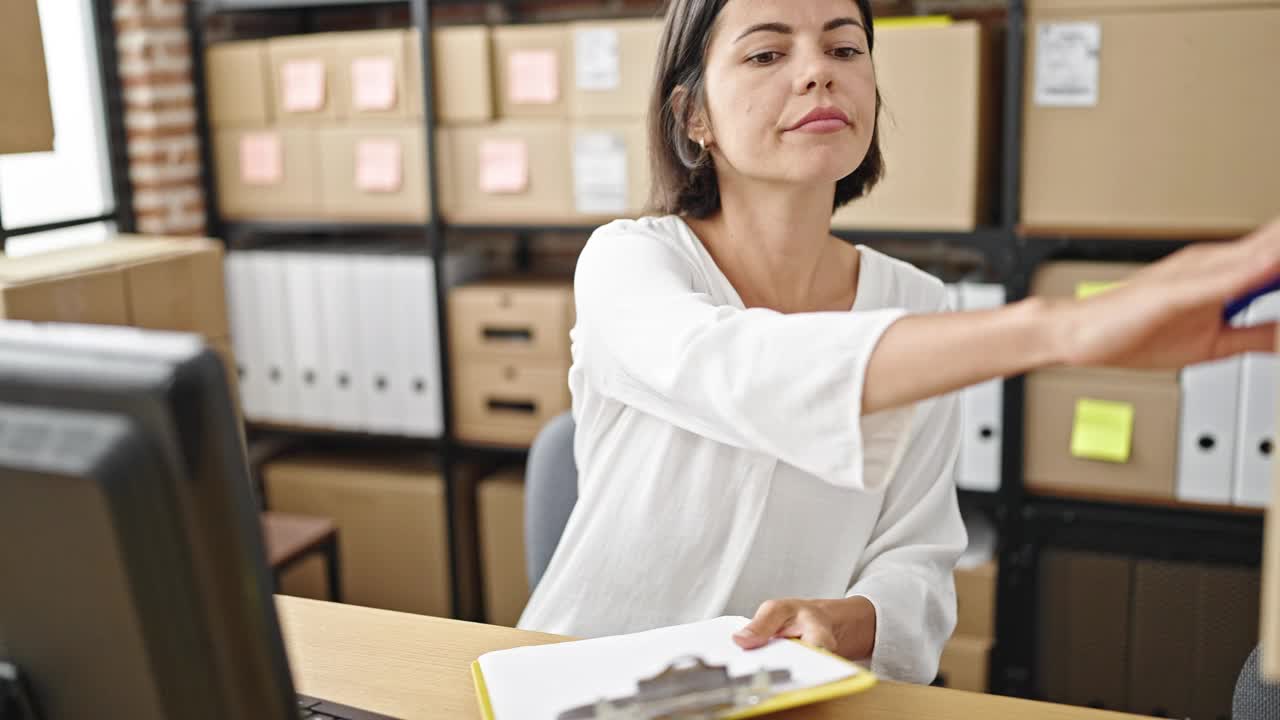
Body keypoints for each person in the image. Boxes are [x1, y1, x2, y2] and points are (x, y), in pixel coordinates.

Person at [516, 0, 1280, 683]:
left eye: (845, 49)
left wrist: (861, 619)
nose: (818, 73)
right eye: (766, 53)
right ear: (693, 116)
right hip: (581, 679)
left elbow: (917, 550)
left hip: (777, 694)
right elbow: (739, 368)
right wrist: (1062, 327)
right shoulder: (629, 260)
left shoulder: (916, 301)